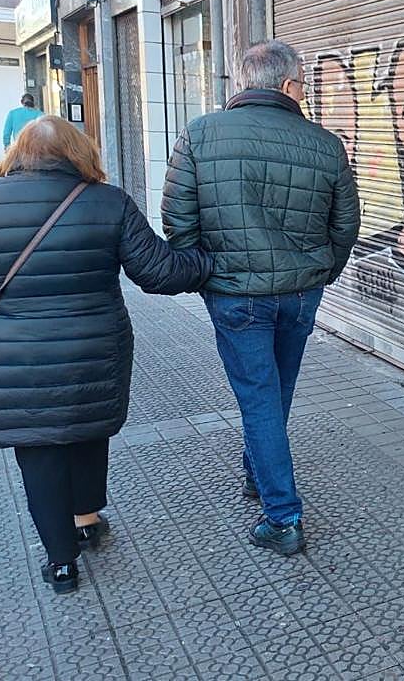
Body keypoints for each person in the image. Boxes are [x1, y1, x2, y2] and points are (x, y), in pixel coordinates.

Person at [0, 116, 210, 594]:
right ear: (80, 153)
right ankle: (87, 519)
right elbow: (160, 274)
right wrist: (210, 259)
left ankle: (61, 563)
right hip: (96, 347)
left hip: (17, 357)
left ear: (18, 153)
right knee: (88, 427)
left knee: (37, 448)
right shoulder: (107, 202)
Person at [162, 40, 360, 556]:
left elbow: (178, 219)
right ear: (289, 85)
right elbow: (346, 225)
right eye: (305, 84)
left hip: (234, 295)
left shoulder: (201, 134)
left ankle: (282, 516)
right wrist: (322, 272)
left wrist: (206, 270)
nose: (308, 92)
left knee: (258, 396)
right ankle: (259, 472)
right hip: (299, 292)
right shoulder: (325, 144)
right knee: (275, 392)